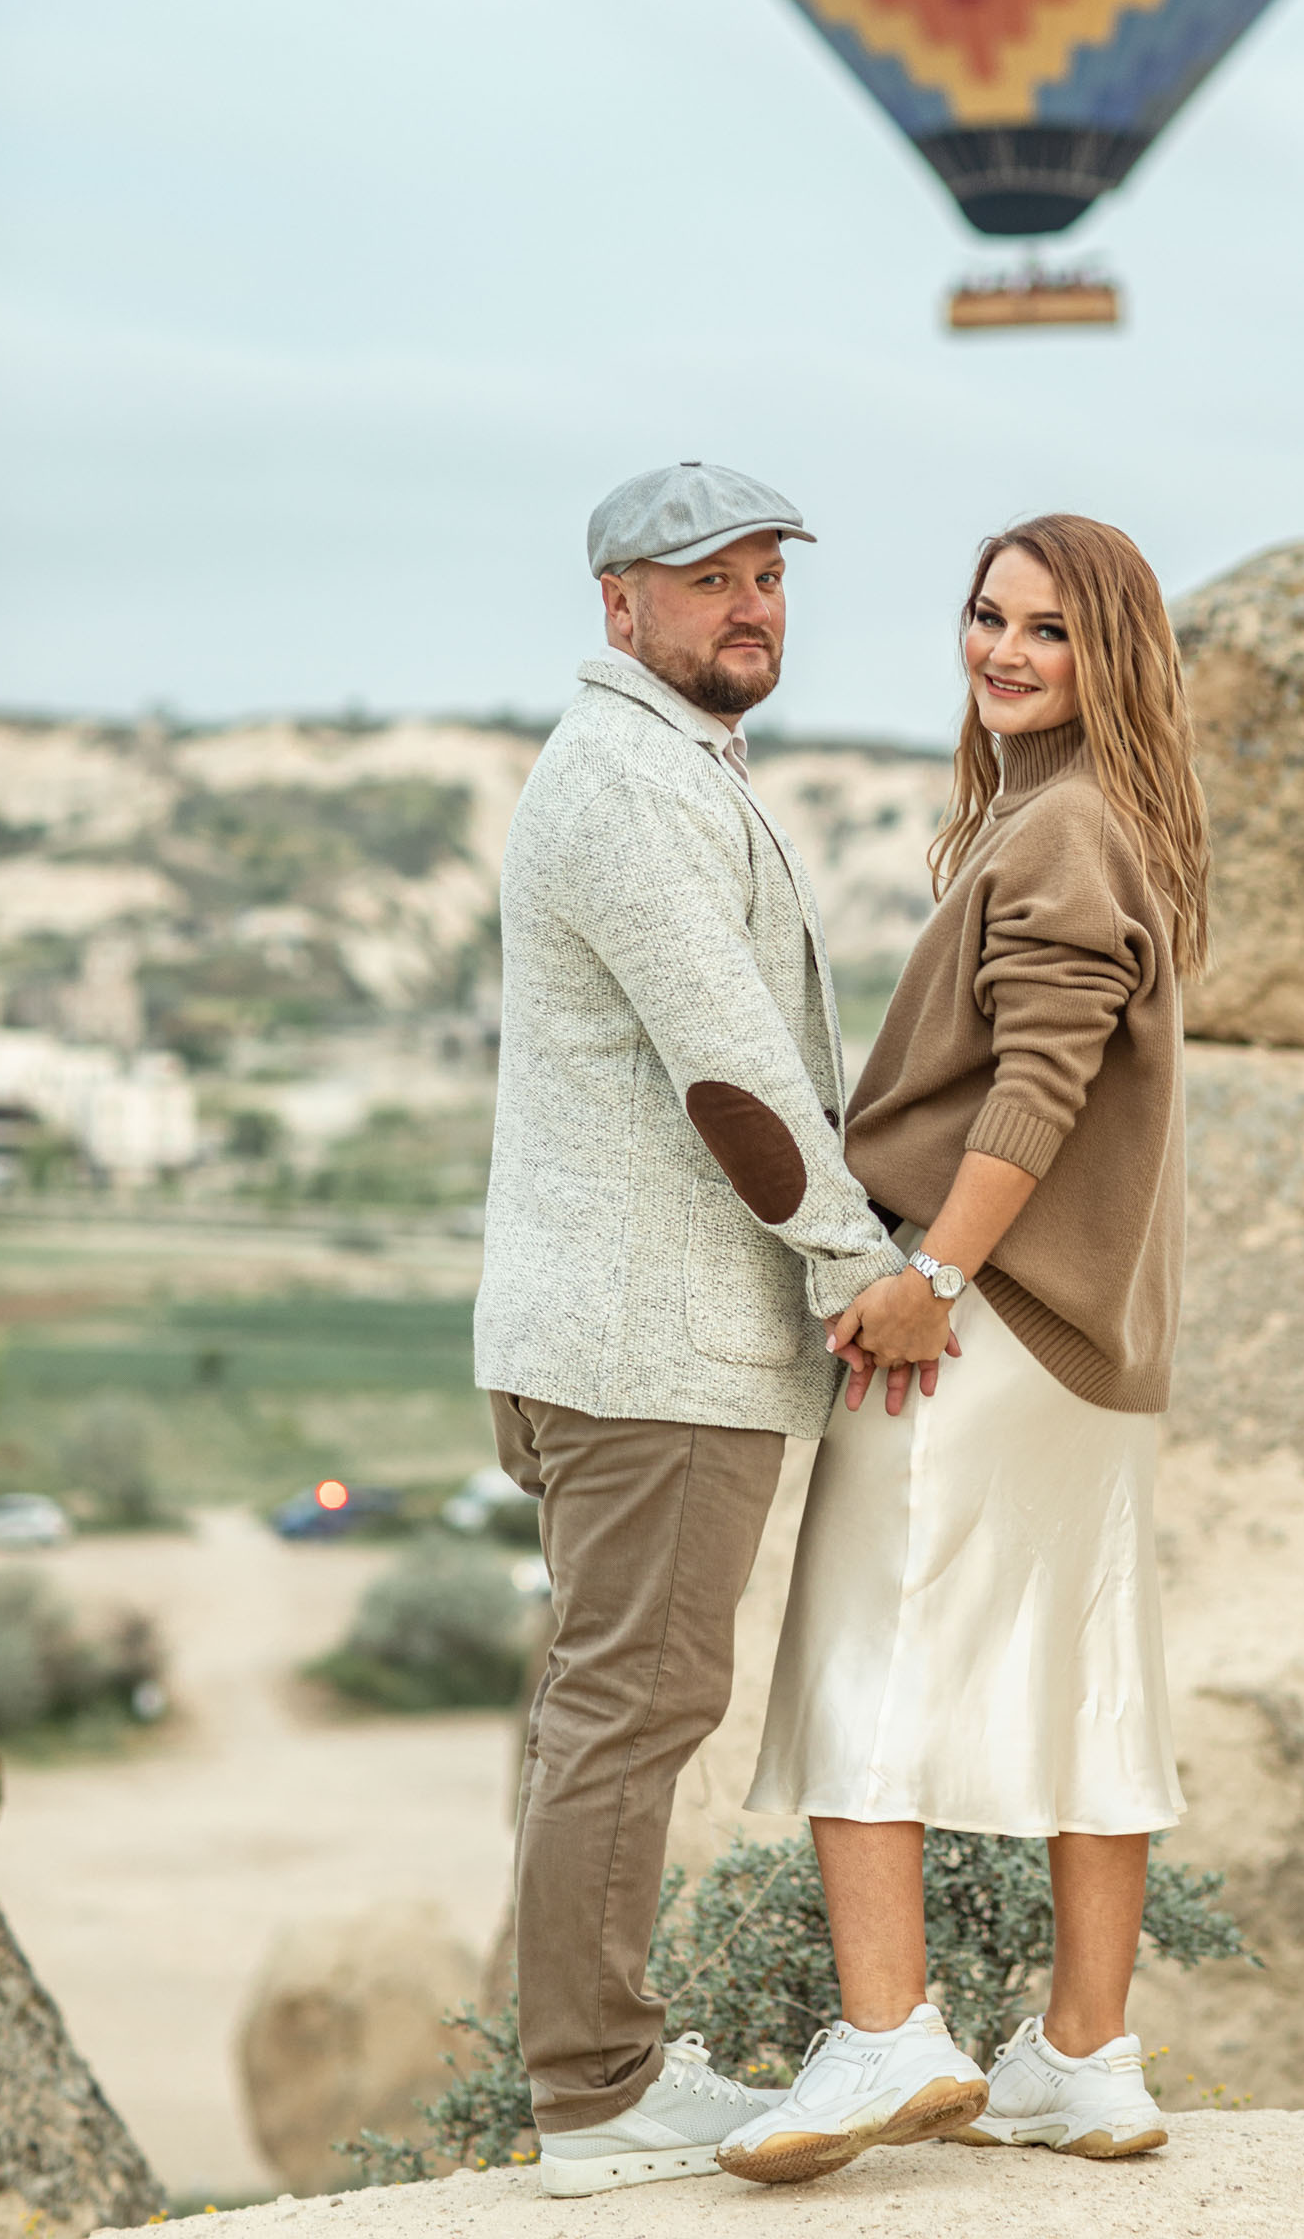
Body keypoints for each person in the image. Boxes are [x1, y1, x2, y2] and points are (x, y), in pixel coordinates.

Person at [717, 512, 1210, 2187]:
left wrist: (930, 1269)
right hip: (1093, 1353)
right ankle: (1085, 2056)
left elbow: (1041, 1078)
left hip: (977, 1326)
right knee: (1091, 1677)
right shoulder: (1112, 822)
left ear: (1111, 656)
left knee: (864, 1642)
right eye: (987, 616)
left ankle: (885, 2033)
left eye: (1048, 632)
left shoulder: (1063, 833)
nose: (1003, 651)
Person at [473, 459, 916, 2198]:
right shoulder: (626, 784)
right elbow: (730, 1068)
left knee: (604, 1706)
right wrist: (846, 1263)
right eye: (708, 579)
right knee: (631, 1711)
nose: (750, 607)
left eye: (768, 578)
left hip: (617, 1341)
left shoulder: (663, 767)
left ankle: (598, 2072)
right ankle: (596, 2094)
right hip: (651, 1352)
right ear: (619, 607)